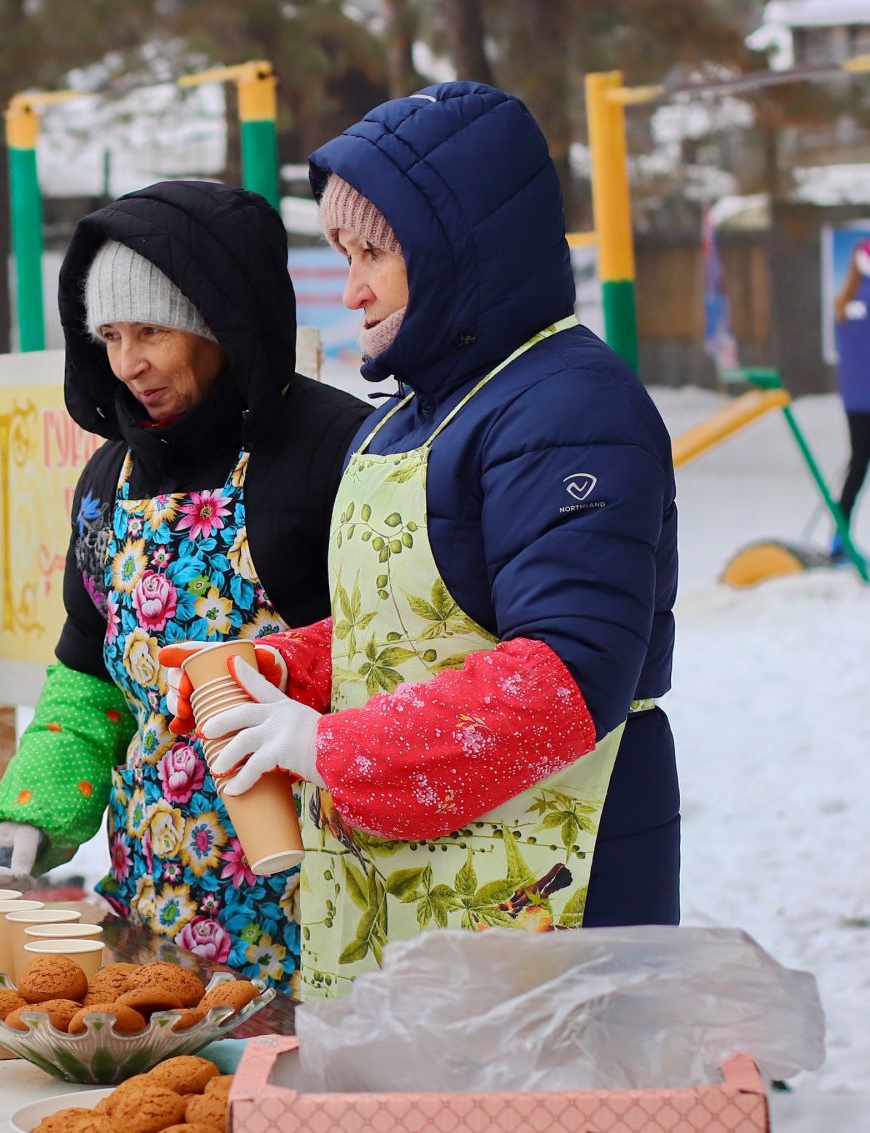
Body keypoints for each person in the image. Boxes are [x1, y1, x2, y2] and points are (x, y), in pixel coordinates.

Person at [164, 82, 680, 1001]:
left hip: (543, 893)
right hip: (404, 887)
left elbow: (569, 676)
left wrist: (327, 748)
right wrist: (284, 672)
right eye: (340, 251)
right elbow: (411, 629)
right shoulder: (412, 412)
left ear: (457, 250)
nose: (351, 285)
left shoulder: (569, 406)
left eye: (374, 252)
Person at [0, 181, 370, 990]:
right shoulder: (106, 481)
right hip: (154, 922)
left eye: (152, 330)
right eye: (110, 335)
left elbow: (392, 667)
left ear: (222, 320)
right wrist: (30, 814)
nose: (128, 364)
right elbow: (91, 678)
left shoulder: (339, 453)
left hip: (319, 918)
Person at [834, 238, 870, 561]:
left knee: (858, 465)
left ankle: (838, 536)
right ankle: (839, 537)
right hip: (864, 399)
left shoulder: (844, 301)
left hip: (854, 401)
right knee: (859, 465)